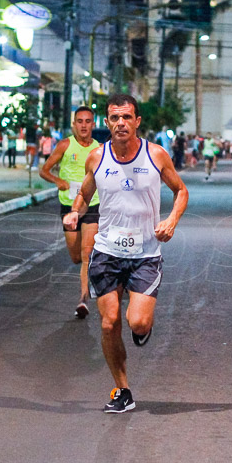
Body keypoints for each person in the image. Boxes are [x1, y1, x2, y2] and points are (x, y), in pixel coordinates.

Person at [62, 93, 188, 414]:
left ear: (137, 121)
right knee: (108, 323)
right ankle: (122, 390)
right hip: (106, 253)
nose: (121, 123)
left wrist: (171, 220)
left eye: (127, 117)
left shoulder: (156, 155)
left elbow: (181, 190)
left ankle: (140, 329)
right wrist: (75, 212)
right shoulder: (97, 158)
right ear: (107, 123)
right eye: (115, 118)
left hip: (145, 254)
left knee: (138, 323)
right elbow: (85, 193)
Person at [40, 106, 101, 319]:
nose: (84, 125)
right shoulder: (65, 145)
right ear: (74, 124)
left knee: (86, 253)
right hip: (69, 208)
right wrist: (58, 181)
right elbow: (44, 170)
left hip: (92, 204)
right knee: (76, 256)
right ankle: (89, 279)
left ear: (94, 124)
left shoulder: (99, 149)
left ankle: (83, 299)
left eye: (88, 121)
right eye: (80, 121)